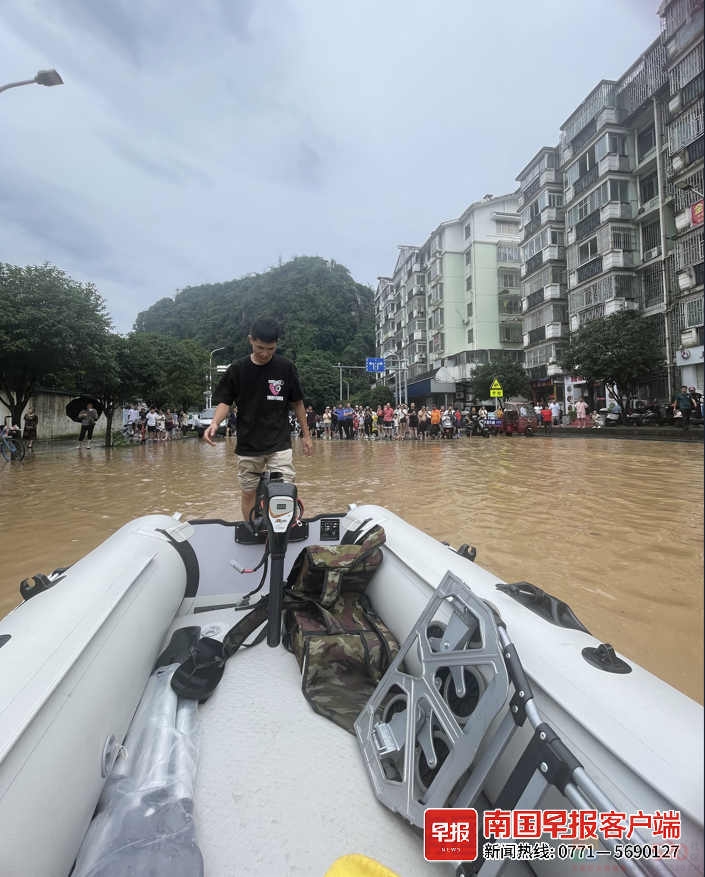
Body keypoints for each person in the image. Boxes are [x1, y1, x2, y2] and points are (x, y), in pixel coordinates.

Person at [205, 318, 313, 522]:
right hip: (248, 445)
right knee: (249, 493)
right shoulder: (237, 369)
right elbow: (225, 402)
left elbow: (297, 403)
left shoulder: (286, 368)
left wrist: (307, 436)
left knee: (283, 492)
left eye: (270, 349)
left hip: (279, 443)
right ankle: (250, 528)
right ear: (250, 340)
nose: (264, 353)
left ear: (276, 345)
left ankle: (280, 532)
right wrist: (214, 423)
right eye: (259, 347)